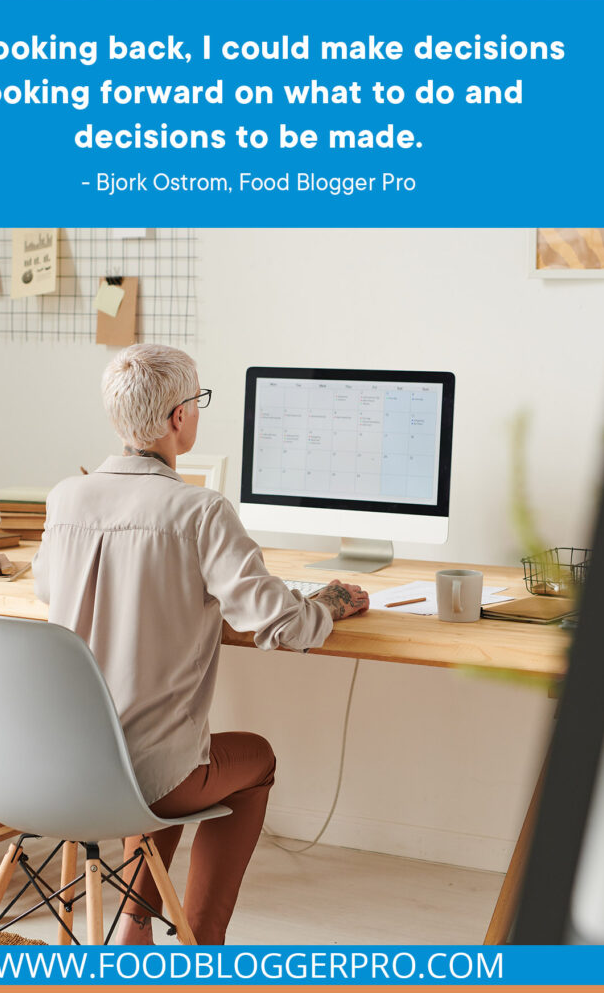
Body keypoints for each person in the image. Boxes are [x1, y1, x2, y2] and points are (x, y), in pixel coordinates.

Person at [32, 343, 369, 945]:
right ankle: (201, 942)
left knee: (153, 745)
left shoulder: (65, 498)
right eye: (197, 402)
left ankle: (135, 929)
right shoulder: (201, 510)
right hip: (146, 775)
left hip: (57, 762)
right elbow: (283, 625)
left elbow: (46, 587)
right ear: (177, 418)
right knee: (250, 759)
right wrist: (332, 602)